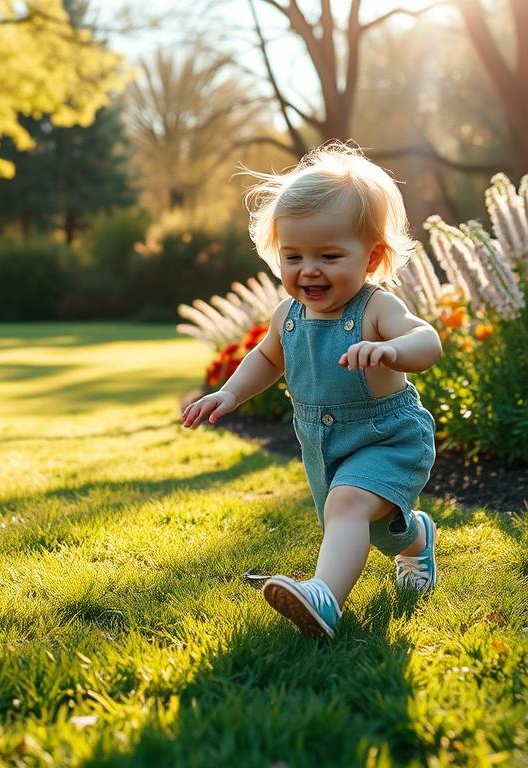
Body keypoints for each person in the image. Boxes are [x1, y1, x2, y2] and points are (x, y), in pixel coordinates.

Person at [181, 143, 443, 639]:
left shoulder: (375, 308)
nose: (309, 270)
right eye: (294, 256)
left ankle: (324, 597)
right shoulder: (287, 315)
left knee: (348, 506)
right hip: (327, 448)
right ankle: (416, 538)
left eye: (329, 255)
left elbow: (426, 340)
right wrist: (229, 395)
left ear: (373, 257)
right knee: (369, 525)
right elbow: (266, 359)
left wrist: (391, 351)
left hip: (389, 439)